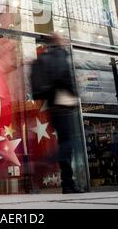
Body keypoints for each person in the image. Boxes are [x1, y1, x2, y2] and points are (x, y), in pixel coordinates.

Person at [38, 33, 85, 194]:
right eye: (63, 38)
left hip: (53, 105)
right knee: (68, 144)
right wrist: (74, 92)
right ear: (58, 41)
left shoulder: (46, 56)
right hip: (64, 103)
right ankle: (68, 183)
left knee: (65, 143)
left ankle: (68, 182)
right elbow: (63, 77)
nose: (66, 39)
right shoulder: (59, 54)